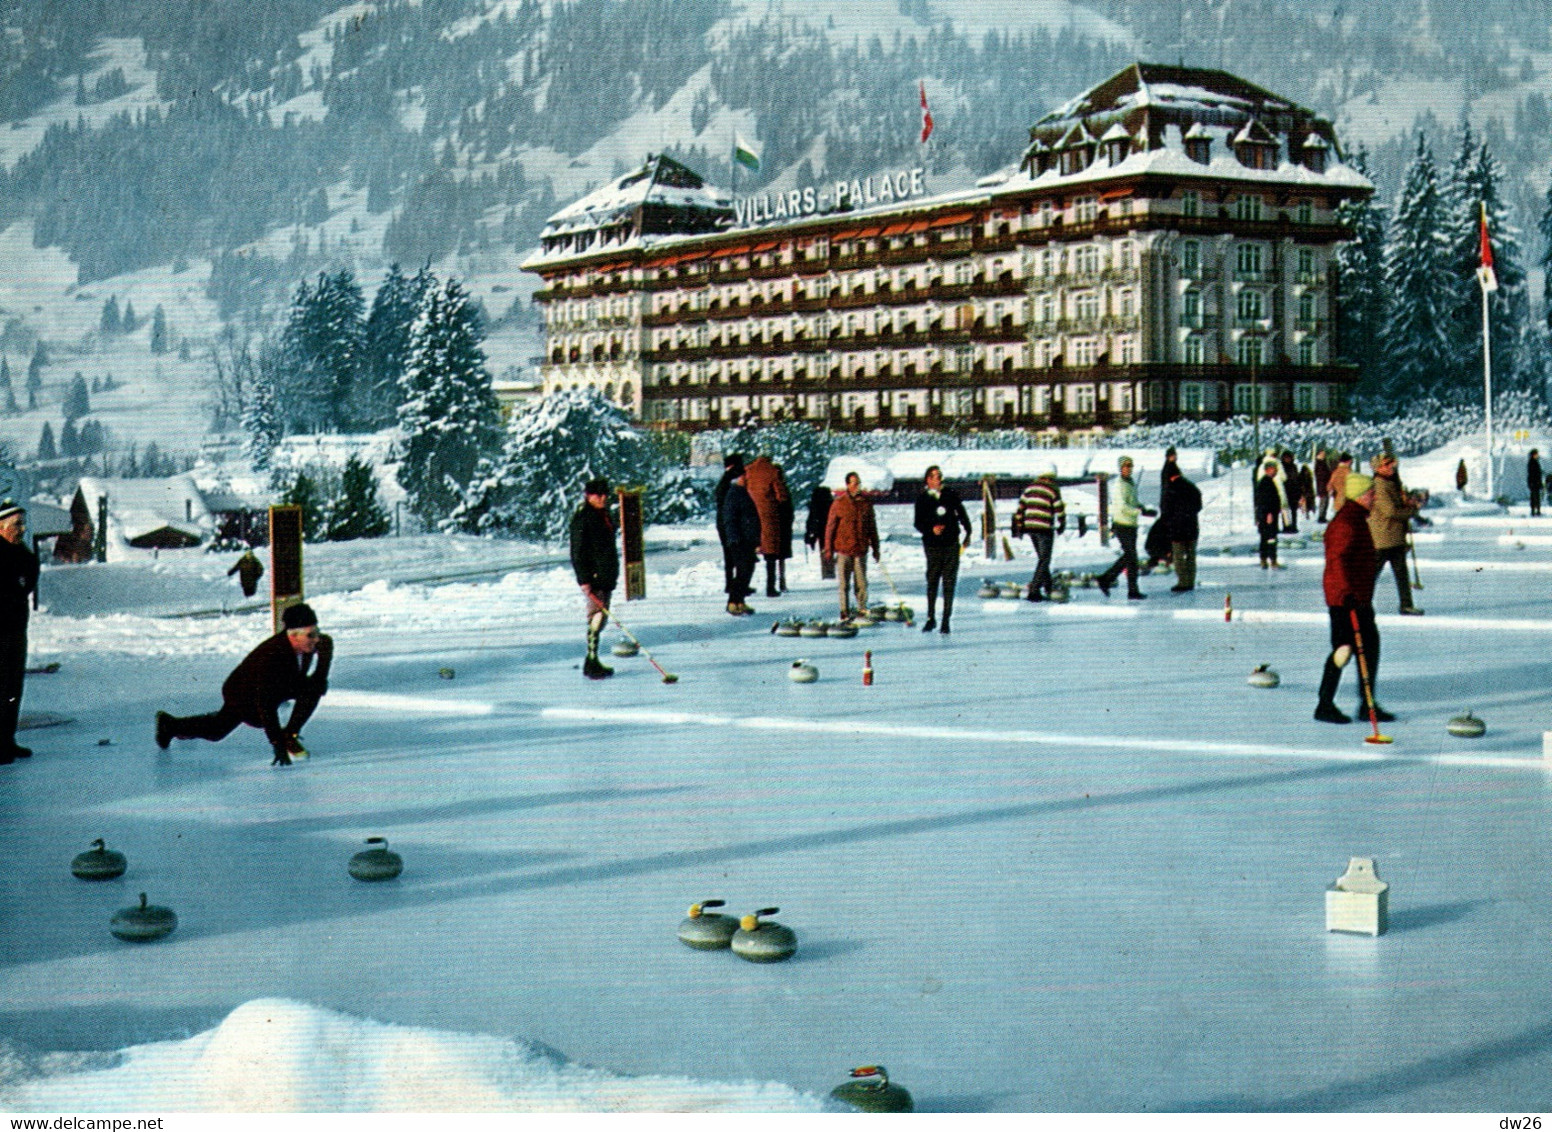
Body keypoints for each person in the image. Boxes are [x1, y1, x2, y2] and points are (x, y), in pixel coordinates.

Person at [156, 602, 333, 765]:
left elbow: (319, 682)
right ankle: (170, 725)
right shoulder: (272, 656)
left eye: (317, 632)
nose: (317, 639)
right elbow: (265, 703)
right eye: (311, 635)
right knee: (217, 731)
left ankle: (290, 735)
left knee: (313, 689)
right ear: (293, 635)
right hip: (243, 692)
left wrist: (323, 659)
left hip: (280, 683)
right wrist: (277, 743)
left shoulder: (319, 643)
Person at [1315, 474, 1393, 725]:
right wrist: (1345, 593)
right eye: (1371, 493)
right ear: (1359, 495)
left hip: (1358, 598)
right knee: (1343, 650)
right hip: (1345, 600)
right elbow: (1336, 561)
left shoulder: (1357, 519)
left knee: (1369, 647)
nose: (1375, 497)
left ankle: (1367, 703)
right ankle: (1324, 705)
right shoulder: (1346, 523)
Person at [570, 478, 621, 675]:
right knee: (596, 616)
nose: (602, 498)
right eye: (598, 495)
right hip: (594, 575)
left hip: (606, 574)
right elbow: (578, 551)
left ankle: (593, 659)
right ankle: (591, 660)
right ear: (588, 496)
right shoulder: (583, 518)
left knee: (601, 617)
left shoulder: (603, 515)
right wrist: (583, 579)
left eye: (604, 495)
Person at [0, 503, 38, 764]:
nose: (22, 530)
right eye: (16, 525)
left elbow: (28, 580)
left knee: (13, 686)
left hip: (16, 629)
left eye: (23, 524)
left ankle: (7, 740)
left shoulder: (21, 553)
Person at [914, 464, 971, 633]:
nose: (939, 479)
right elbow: (918, 522)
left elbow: (962, 514)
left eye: (940, 475)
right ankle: (931, 617)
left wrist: (968, 533)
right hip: (932, 545)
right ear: (928, 480)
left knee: (949, 582)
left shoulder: (950, 495)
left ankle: (946, 619)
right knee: (932, 581)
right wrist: (930, 528)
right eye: (935, 476)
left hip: (951, 544)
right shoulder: (922, 498)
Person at [1369, 451, 1423, 615]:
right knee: (1372, 575)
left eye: (1392, 463)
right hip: (1383, 536)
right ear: (1378, 468)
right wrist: (1410, 511)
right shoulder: (1379, 485)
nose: (1391, 467)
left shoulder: (1391, 483)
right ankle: (1360, 604)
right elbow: (1390, 511)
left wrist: (1406, 501)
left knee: (1402, 575)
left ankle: (1406, 604)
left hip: (1395, 536)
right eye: (1386, 464)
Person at [823, 471, 880, 620]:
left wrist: (876, 548)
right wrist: (828, 549)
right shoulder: (839, 503)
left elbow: (872, 528)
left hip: (860, 549)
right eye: (854, 483)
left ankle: (861, 608)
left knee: (861, 583)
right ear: (848, 485)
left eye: (858, 483)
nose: (857, 486)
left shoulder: (866, 503)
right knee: (844, 583)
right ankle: (844, 610)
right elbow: (830, 527)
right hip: (844, 549)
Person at [1096, 456, 1152, 600]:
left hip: (1131, 524)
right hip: (1122, 523)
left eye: (1130, 466)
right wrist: (1138, 511)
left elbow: (1131, 502)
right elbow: (1122, 506)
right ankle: (1128, 589)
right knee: (1131, 556)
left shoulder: (1130, 483)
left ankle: (1108, 580)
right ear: (1120, 468)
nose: (1128, 468)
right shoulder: (1120, 484)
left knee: (1130, 557)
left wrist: (1142, 507)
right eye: (1126, 466)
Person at [1013, 465, 1064, 601]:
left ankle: (1048, 586)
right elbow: (1059, 508)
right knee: (1044, 559)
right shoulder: (1052, 489)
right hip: (1044, 527)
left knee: (1042, 558)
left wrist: (1019, 526)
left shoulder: (1029, 488)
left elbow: (1020, 508)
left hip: (1030, 527)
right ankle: (1034, 590)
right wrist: (1061, 523)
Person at [743, 452, 791, 599]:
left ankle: (744, 585)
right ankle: (771, 587)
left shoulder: (747, 470)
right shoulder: (773, 471)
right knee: (770, 555)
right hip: (768, 517)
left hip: (749, 516)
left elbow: (740, 489)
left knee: (747, 553)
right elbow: (781, 496)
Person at [719, 461, 760, 616]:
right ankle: (733, 602)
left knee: (747, 570)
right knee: (743, 571)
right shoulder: (734, 493)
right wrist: (734, 538)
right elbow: (730, 518)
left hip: (746, 539)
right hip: (739, 540)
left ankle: (739, 601)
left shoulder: (741, 492)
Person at [1159, 466, 1202, 592]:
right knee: (1191, 556)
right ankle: (1190, 580)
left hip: (1177, 529)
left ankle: (1182, 582)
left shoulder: (1169, 489)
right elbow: (1198, 506)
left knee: (1178, 556)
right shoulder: (1192, 487)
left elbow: (1165, 511)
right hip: (1192, 527)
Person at [714, 453, 743, 598]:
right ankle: (735, 584)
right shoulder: (733, 480)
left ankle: (730, 583)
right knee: (737, 554)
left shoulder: (724, 481)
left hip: (723, 521)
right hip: (732, 521)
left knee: (729, 554)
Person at [1254, 458, 1283, 569]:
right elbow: (1265, 500)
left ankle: (1265, 560)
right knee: (1270, 539)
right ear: (1268, 470)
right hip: (1268, 516)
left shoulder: (1268, 481)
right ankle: (1271, 560)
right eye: (1273, 469)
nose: (1275, 471)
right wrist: (1269, 514)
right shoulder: (1265, 483)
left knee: (1266, 538)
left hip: (1266, 515)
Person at [805, 485, 834, 580]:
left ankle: (827, 572)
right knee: (830, 549)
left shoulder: (815, 505)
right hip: (830, 529)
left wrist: (809, 533)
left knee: (824, 550)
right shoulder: (831, 504)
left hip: (820, 529)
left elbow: (811, 519)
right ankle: (830, 571)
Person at [1279, 450, 1301, 533]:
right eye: (1286, 458)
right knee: (1285, 510)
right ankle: (1286, 526)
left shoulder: (1294, 467)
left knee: (1294, 510)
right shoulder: (1281, 467)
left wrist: (1299, 491)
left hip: (1294, 491)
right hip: (1285, 491)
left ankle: (1294, 526)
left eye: (1289, 458)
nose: (1287, 459)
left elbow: (1297, 479)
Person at [1314, 448, 1333, 522]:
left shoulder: (1323, 462)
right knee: (1323, 500)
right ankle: (1321, 516)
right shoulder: (1319, 463)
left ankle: (1322, 516)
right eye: (1322, 454)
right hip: (1322, 484)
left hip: (1324, 483)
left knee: (1325, 500)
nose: (1323, 455)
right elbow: (1320, 474)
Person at [1528, 450, 1543, 517]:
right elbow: (1534, 473)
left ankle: (1536, 510)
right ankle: (1535, 511)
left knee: (1536, 497)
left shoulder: (1534, 462)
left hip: (1534, 482)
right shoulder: (1532, 462)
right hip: (1534, 482)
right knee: (1535, 497)